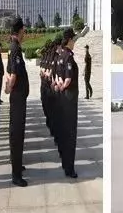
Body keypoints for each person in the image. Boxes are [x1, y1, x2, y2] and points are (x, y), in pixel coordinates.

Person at [6, 17, 29, 187]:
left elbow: (8, 72)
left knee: (18, 134)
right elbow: (13, 75)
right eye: (24, 30)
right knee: (17, 134)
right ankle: (16, 175)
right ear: (20, 31)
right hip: (17, 99)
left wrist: (8, 85)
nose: (25, 33)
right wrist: (8, 88)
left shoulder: (14, 47)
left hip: (19, 98)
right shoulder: (15, 48)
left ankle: (17, 165)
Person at [56, 28, 79, 178]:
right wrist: (64, 86)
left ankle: (65, 164)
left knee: (64, 131)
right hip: (70, 97)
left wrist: (60, 86)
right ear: (69, 40)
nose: (74, 42)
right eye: (73, 39)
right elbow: (68, 79)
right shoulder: (69, 56)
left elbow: (58, 77)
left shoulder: (60, 55)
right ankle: (70, 169)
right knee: (71, 133)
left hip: (63, 98)